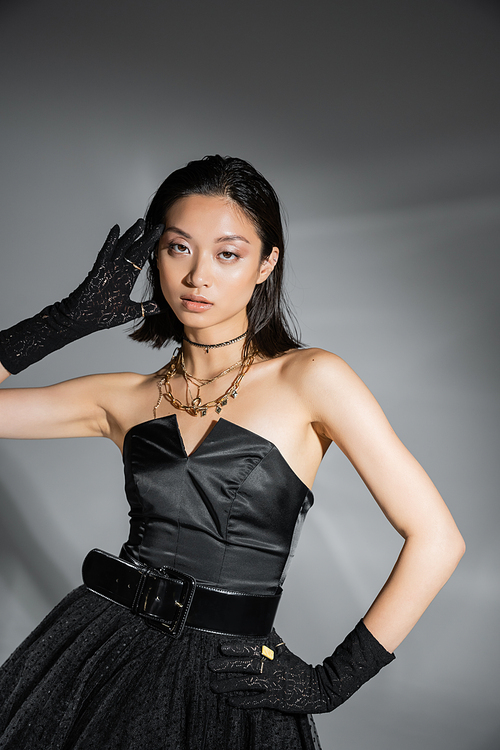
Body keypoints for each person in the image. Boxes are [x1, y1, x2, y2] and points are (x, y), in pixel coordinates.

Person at [0, 155, 465, 750]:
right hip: (100, 648)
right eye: (178, 248)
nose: (198, 277)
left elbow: (437, 538)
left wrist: (330, 684)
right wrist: (64, 320)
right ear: (154, 257)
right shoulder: (122, 397)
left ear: (266, 264)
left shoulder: (311, 378)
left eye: (227, 253)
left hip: (229, 678)